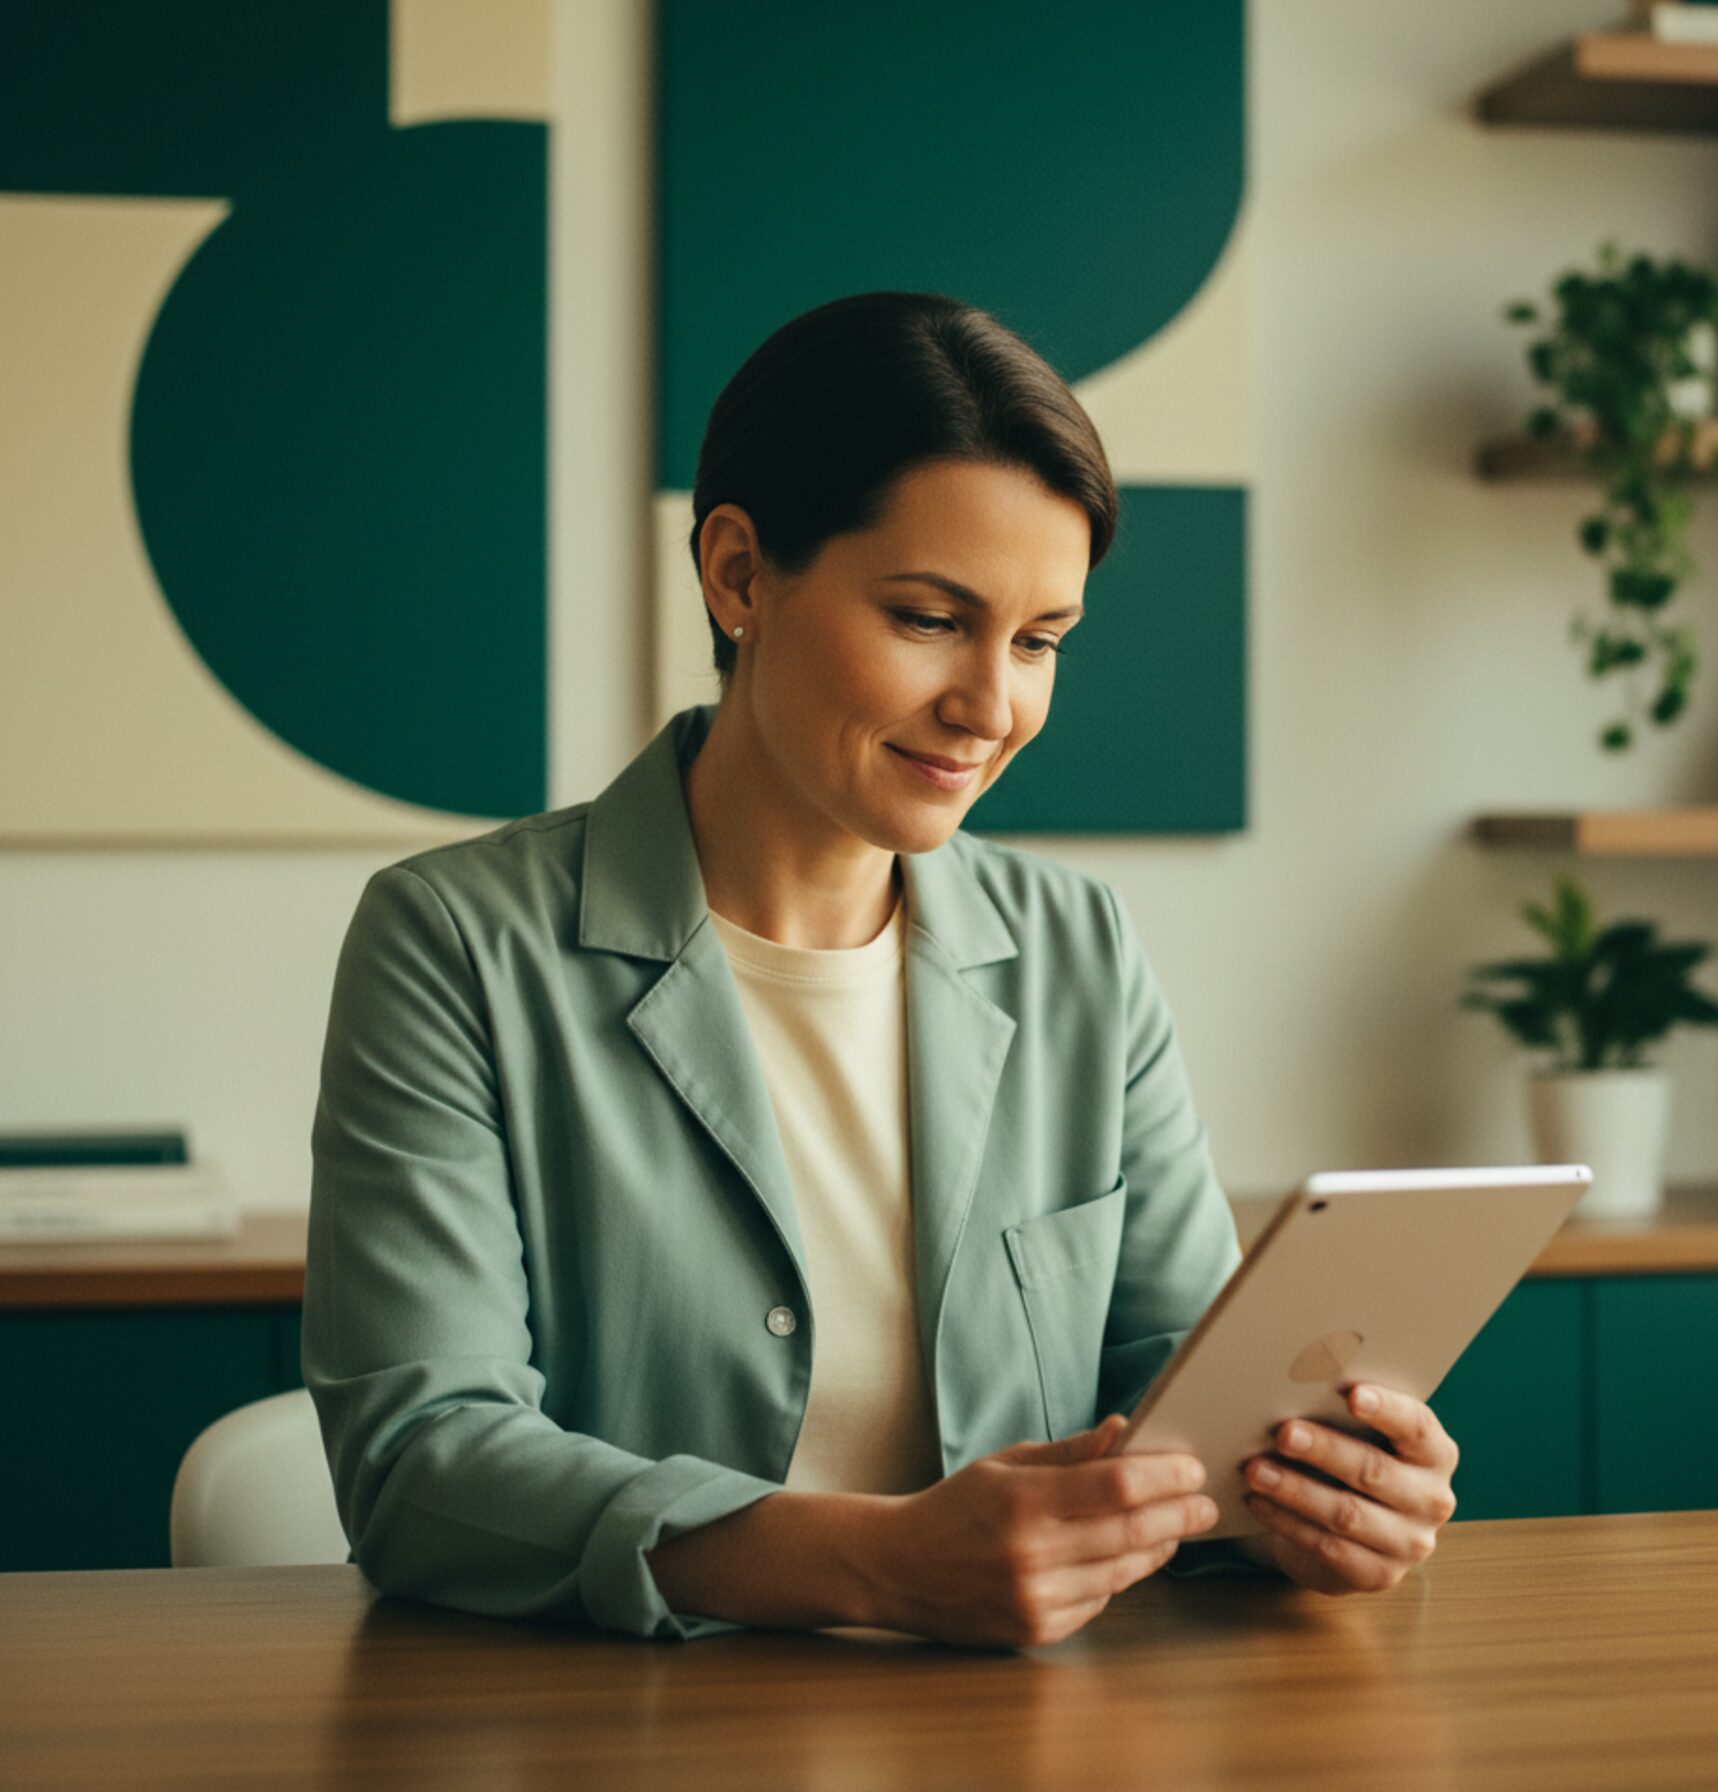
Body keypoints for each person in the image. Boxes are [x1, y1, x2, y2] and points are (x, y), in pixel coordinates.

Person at [302, 291, 1459, 1650]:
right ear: (737, 574)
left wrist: (1316, 1491)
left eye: (1039, 643)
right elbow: (419, 1462)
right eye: (928, 618)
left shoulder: (1075, 948)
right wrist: (875, 1564)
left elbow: (1179, 1394)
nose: (991, 707)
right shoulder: (455, 945)